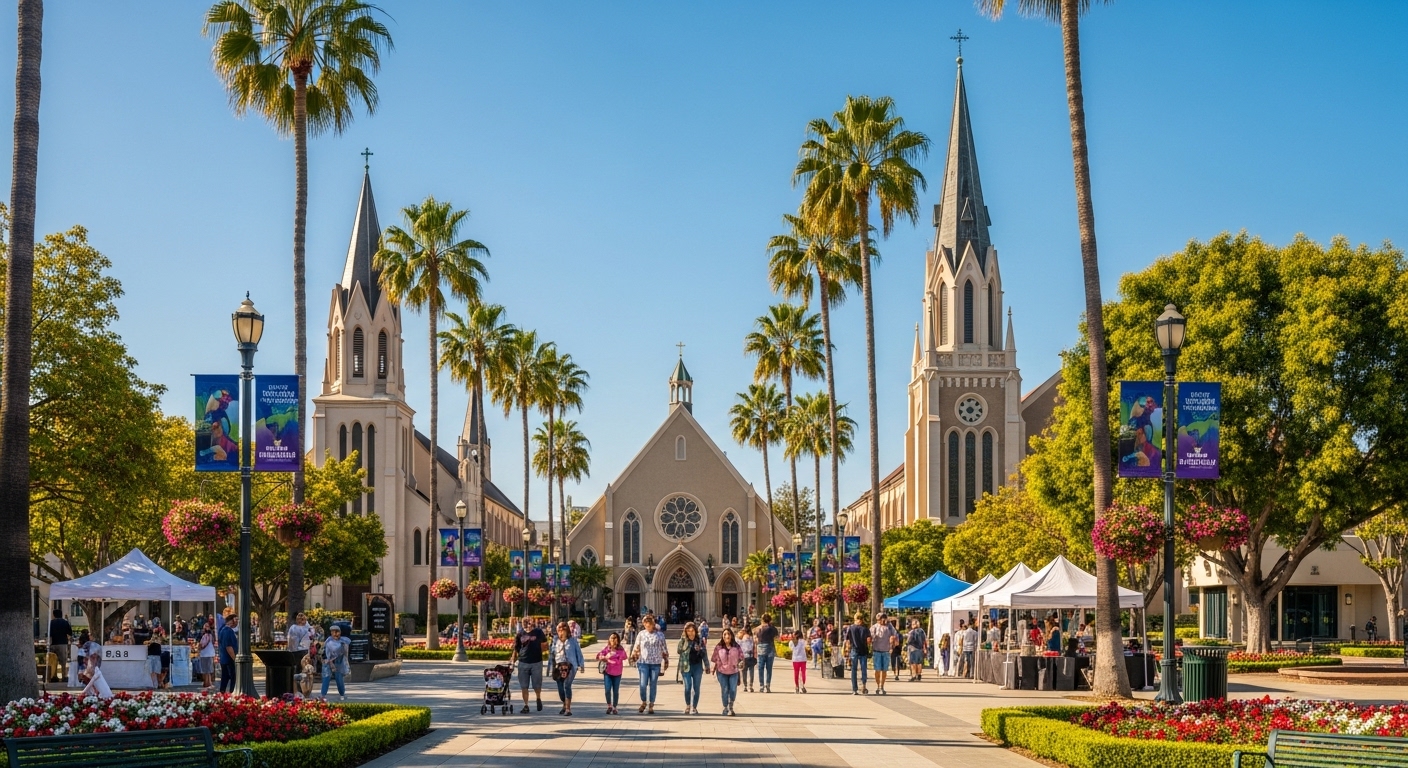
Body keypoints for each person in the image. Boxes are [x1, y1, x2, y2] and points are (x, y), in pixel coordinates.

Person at [629, 613, 669, 714]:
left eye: (649, 623)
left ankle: (651, 704)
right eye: (646, 623)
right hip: (643, 662)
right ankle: (643, 701)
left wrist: (666, 660)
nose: (648, 625)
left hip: (655, 663)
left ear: (653, 623)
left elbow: (664, 648)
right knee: (643, 684)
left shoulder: (659, 635)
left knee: (653, 684)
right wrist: (632, 657)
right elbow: (636, 646)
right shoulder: (641, 634)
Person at [510, 616, 548, 714]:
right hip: (523, 662)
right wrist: (512, 661)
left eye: (529, 622)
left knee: (537, 685)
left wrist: (539, 651)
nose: (527, 624)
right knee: (524, 686)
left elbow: (545, 644)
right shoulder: (520, 634)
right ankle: (526, 705)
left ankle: (538, 698)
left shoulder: (538, 632)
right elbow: (516, 648)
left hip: (536, 662)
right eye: (525, 623)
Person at [551, 621, 585, 716]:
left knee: (567, 685)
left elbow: (578, 652)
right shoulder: (555, 640)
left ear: (567, 630)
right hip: (559, 666)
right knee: (560, 687)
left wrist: (581, 664)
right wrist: (551, 666)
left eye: (563, 628)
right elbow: (552, 653)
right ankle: (564, 703)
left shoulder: (572, 640)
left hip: (570, 666)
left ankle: (568, 709)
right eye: (559, 629)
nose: (561, 630)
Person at [676, 622, 709, 714]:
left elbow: (704, 654)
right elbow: (679, 650)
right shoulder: (683, 640)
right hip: (686, 666)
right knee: (687, 687)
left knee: (696, 688)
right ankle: (688, 705)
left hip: (697, 666)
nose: (691, 633)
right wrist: (684, 641)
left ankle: (694, 707)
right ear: (685, 632)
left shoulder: (700, 640)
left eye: (692, 631)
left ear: (695, 631)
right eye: (688, 631)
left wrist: (707, 665)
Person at [712, 628, 742, 716]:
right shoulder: (719, 647)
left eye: (728, 634)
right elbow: (715, 658)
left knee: (733, 689)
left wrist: (741, 663)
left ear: (731, 635)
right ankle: (725, 707)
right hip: (721, 672)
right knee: (724, 689)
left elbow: (741, 657)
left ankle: (731, 705)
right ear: (722, 636)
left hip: (733, 671)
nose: (727, 636)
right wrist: (713, 668)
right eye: (724, 634)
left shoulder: (736, 646)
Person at [596, 632, 627, 715]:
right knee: (607, 690)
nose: (613, 639)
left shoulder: (620, 649)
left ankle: (615, 707)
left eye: (615, 638)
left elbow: (625, 657)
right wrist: (603, 657)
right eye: (611, 638)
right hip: (608, 672)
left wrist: (617, 656)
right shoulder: (607, 648)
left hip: (617, 673)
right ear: (609, 640)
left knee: (615, 691)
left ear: (618, 640)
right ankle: (609, 705)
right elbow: (599, 655)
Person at [843, 613, 871, 695]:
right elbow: (869, 640)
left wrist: (846, 650)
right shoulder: (865, 629)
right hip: (863, 650)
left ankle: (854, 689)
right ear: (862, 619)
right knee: (863, 669)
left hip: (854, 650)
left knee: (853, 670)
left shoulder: (850, 628)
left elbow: (847, 640)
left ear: (855, 619)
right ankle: (864, 685)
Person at [869, 612, 897, 695]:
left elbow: (895, 636)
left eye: (883, 619)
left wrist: (893, 640)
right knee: (877, 670)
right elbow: (870, 637)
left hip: (886, 651)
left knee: (884, 670)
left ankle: (882, 686)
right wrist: (872, 638)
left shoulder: (890, 627)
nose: (882, 621)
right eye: (879, 619)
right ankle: (878, 686)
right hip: (877, 651)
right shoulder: (874, 627)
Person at [321, 624, 349, 700]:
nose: (335, 634)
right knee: (326, 677)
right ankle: (323, 695)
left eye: (337, 631)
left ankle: (342, 694)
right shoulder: (328, 641)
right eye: (333, 632)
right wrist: (327, 661)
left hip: (338, 661)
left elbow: (345, 653)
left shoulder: (343, 642)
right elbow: (324, 651)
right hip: (327, 661)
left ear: (340, 632)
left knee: (339, 678)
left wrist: (346, 663)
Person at [755, 614, 778, 693]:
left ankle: (761, 685)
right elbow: (777, 638)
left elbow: (756, 639)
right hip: (770, 649)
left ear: (762, 620)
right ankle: (768, 685)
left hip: (760, 649)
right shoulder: (773, 628)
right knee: (769, 669)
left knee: (760, 668)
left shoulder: (758, 628)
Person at [48, 608, 72, 682]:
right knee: (63, 661)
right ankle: (64, 676)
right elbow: (70, 632)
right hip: (63, 643)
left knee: (54, 661)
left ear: (54, 615)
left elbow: (49, 634)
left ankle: (54, 676)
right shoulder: (65, 622)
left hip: (53, 643)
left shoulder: (51, 623)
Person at [218, 614, 239, 694]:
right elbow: (228, 646)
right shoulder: (228, 631)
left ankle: (222, 692)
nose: (237, 622)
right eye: (236, 620)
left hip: (223, 658)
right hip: (229, 659)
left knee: (225, 677)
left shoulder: (222, 629)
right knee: (233, 677)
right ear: (231, 621)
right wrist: (234, 658)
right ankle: (232, 692)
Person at [195, 619, 216, 692]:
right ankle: (208, 683)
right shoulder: (211, 636)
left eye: (206, 626)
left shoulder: (206, 636)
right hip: (209, 653)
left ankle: (207, 683)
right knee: (208, 669)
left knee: (205, 670)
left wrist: (198, 649)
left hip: (205, 654)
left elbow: (202, 645)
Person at [738, 625, 757, 692]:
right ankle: (750, 686)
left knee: (744, 672)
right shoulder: (752, 638)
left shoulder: (742, 638)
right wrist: (755, 656)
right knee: (751, 671)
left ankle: (745, 686)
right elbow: (754, 648)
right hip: (751, 656)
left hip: (744, 657)